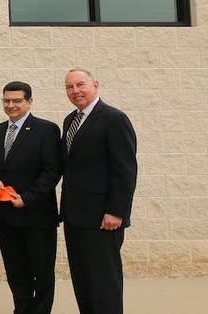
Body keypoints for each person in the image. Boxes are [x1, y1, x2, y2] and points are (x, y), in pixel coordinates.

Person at [0, 81, 63, 314]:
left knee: (42, 272)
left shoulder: (47, 129)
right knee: (16, 272)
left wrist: (28, 198)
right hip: (5, 218)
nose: (11, 105)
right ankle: (22, 310)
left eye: (17, 100)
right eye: (7, 100)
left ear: (29, 102)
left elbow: (52, 171)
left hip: (37, 216)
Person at [60, 69, 137, 314]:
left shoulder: (114, 119)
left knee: (104, 283)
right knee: (83, 281)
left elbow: (125, 171)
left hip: (104, 219)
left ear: (95, 84)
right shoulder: (70, 120)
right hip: (75, 216)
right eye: (70, 87)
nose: (75, 91)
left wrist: (116, 211)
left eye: (80, 84)